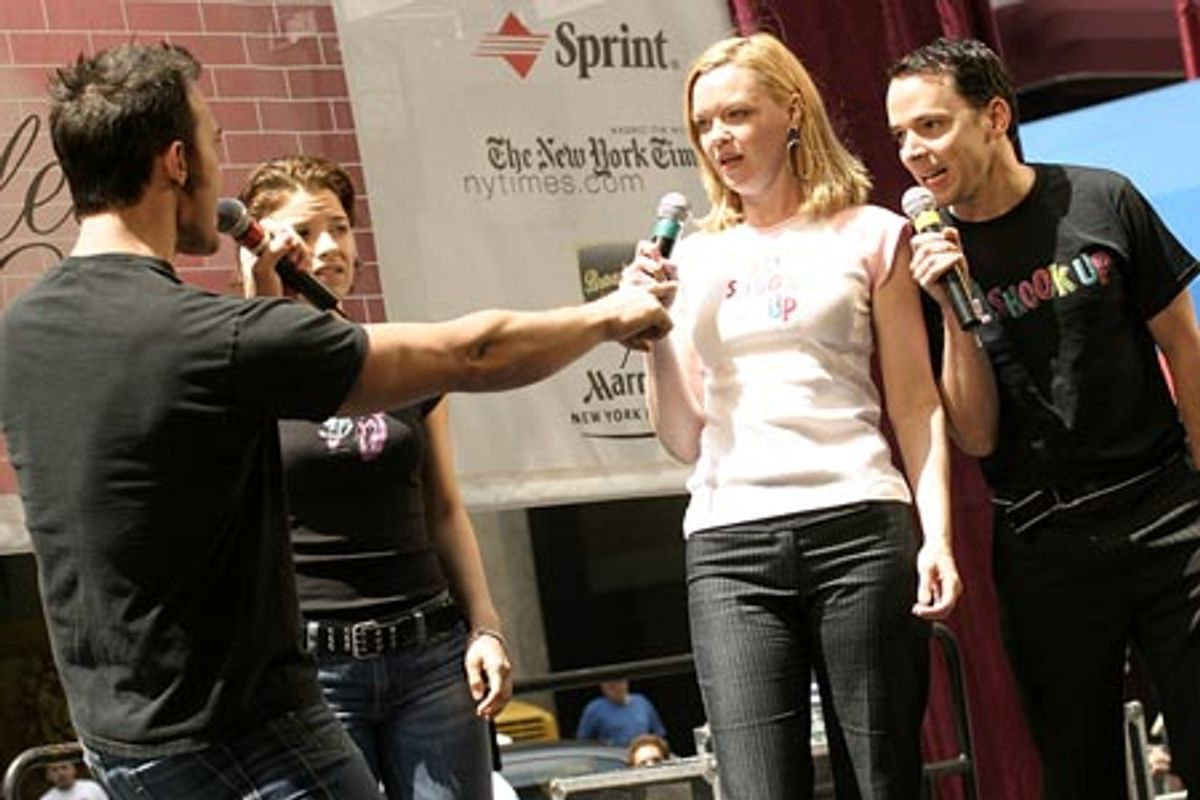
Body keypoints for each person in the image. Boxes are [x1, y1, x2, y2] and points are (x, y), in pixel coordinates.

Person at [0, 43, 671, 800]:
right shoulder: (204, 337)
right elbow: (475, 353)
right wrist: (610, 315)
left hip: (122, 745)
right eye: (215, 143)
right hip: (247, 738)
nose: (219, 164)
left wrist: (262, 306)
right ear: (177, 162)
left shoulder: (21, 332)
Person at [621, 32, 960, 799]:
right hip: (729, 545)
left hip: (859, 527)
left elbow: (915, 402)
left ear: (793, 111)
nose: (719, 137)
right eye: (704, 123)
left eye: (737, 114)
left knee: (881, 779)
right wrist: (654, 334)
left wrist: (937, 536)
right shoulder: (692, 258)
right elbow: (682, 437)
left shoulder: (873, 233)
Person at [886, 37, 1200, 798]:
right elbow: (976, 434)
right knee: (1078, 773)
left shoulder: (1102, 198)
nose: (912, 151)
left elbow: (1185, 348)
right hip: (1044, 544)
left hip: (1168, 518)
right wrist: (951, 309)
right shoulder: (923, 261)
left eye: (930, 125)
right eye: (899, 135)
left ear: (994, 117)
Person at [236, 153, 511, 799]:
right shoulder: (235, 366)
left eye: (339, 227)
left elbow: (445, 509)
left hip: (431, 656)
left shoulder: (400, 360)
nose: (329, 247)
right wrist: (259, 299)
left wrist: (486, 626)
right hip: (313, 671)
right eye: (304, 233)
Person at [575, 680, 666, 748]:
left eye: (618, 683)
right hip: (613, 760)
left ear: (626, 683)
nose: (616, 688)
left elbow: (659, 734)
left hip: (641, 757)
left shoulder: (642, 702)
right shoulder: (594, 709)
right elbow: (583, 742)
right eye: (610, 686)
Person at [39, 761, 108, 800]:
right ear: (48, 776)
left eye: (64, 767)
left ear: (73, 769)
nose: (61, 773)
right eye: (54, 770)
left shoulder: (92, 787)